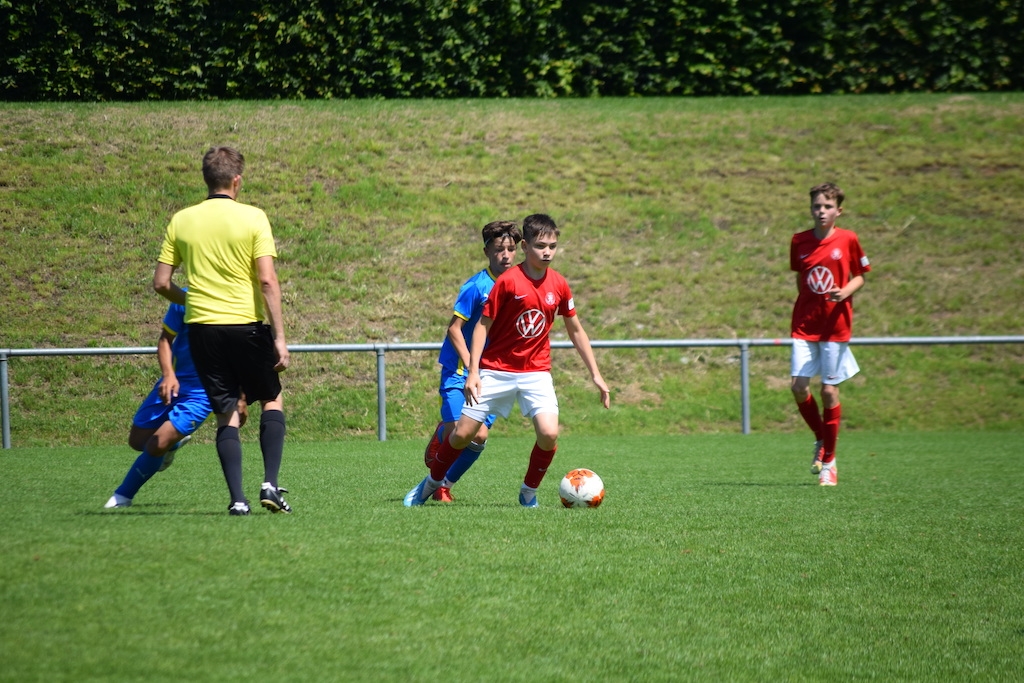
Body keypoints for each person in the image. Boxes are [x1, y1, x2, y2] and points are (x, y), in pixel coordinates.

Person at [405, 213, 611, 507]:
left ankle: (528, 493)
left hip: (536, 372)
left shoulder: (560, 284)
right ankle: (430, 484)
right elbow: (479, 326)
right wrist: (473, 371)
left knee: (548, 433)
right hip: (494, 369)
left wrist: (596, 374)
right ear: (527, 246)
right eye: (541, 246)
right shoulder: (505, 283)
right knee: (463, 434)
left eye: (552, 246)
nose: (547, 252)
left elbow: (576, 329)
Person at [153, 145, 291, 515]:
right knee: (271, 398)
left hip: (202, 330)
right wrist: (280, 337)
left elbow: (161, 283)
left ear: (206, 179)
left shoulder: (182, 220)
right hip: (245, 325)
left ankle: (238, 501)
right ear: (237, 180)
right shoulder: (253, 217)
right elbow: (267, 280)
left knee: (226, 412)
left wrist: (191, 299)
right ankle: (270, 484)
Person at [422, 220, 523, 502]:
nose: (506, 255)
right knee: (461, 434)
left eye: (511, 249)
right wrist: (471, 367)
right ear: (486, 251)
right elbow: (454, 329)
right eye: (499, 249)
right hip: (460, 371)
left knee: (479, 437)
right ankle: (443, 435)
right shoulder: (476, 287)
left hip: (493, 373)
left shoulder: (519, 286)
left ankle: (444, 486)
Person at [789, 182, 871, 486]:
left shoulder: (848, 239)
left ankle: (829, 463)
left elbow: (860, 276)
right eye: (817, 206)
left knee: (828, 391)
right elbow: (801, 279)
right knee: (798, 386)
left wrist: (845, 292)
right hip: (805, 324)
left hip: (835, 325)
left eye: (827, 206)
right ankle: (822, 437)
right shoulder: (799, 241)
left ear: (839, 210)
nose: (821, 211)